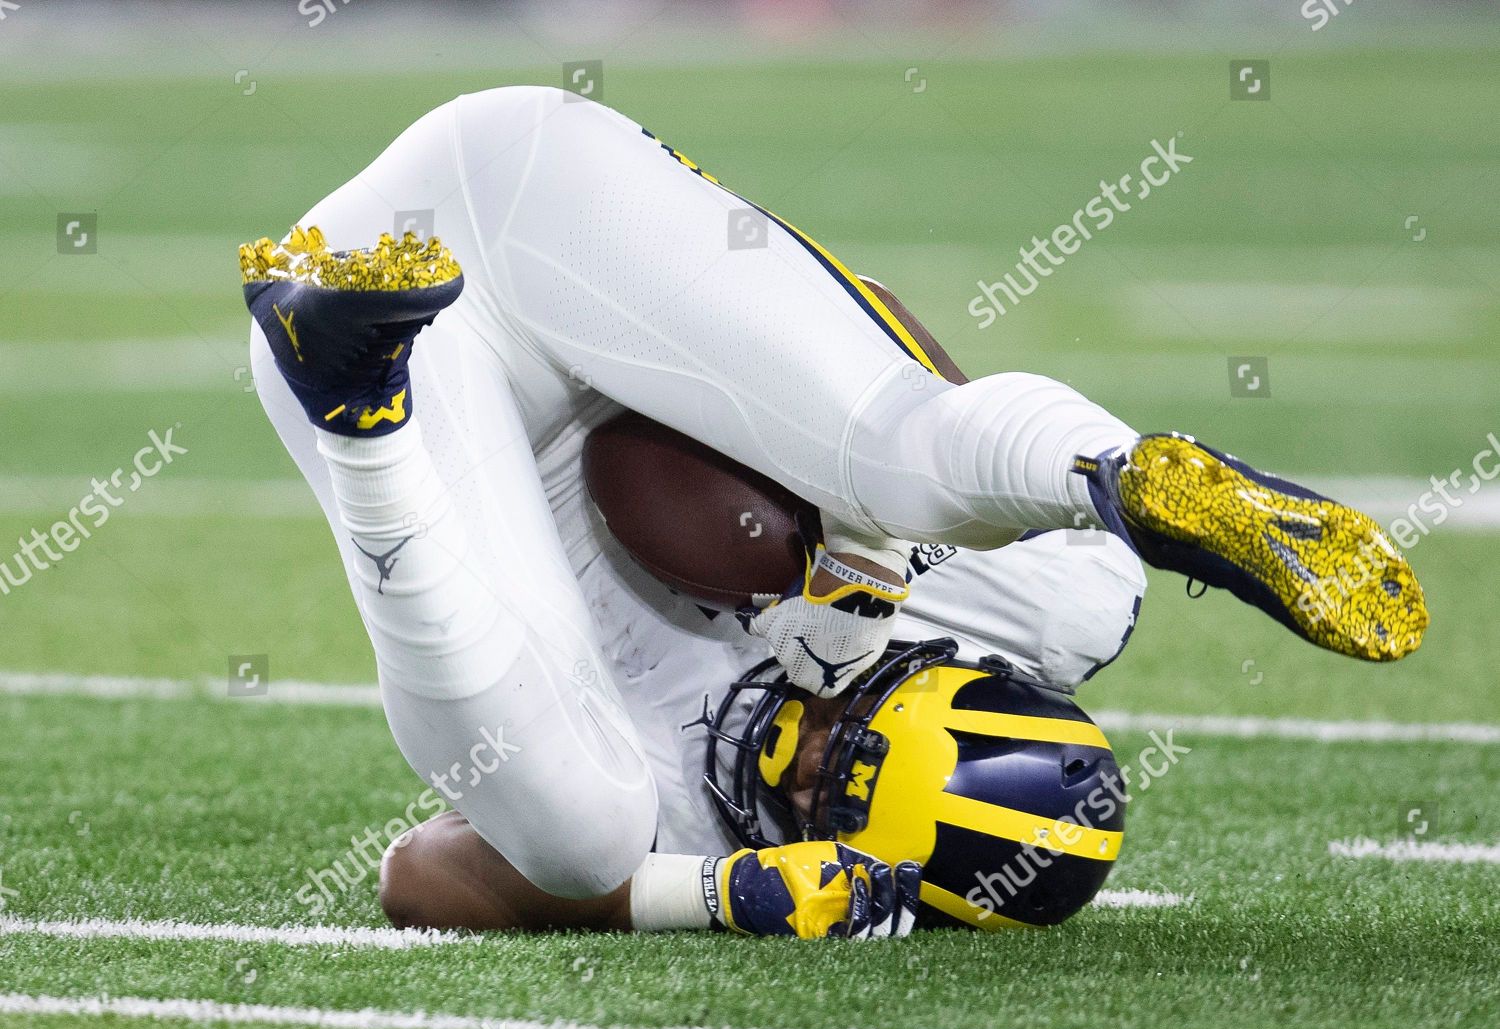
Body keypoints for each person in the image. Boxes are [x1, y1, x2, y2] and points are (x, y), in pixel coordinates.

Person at [241, 86, 1425, 938]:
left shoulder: (736, 847)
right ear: (939, 676)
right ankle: (1117, 473)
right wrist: (862, 547)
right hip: (543, 216)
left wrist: (698, 895)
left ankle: (360, 406)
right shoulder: (1042, 610)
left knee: (585, 833)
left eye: (824, 805)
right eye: (852, 747)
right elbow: (875, 318)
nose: (801, 765)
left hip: (409, 347)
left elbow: (416, 879)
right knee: (926, 469)